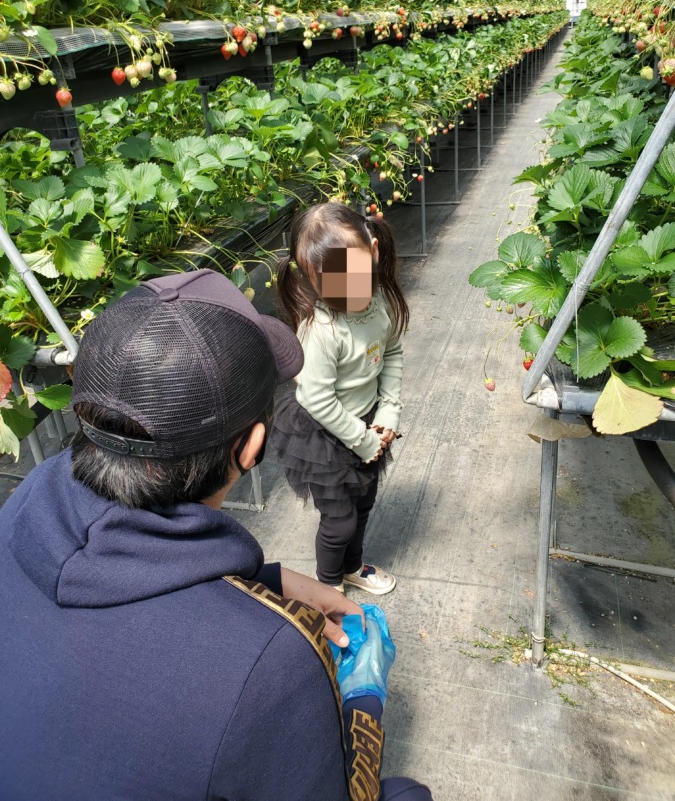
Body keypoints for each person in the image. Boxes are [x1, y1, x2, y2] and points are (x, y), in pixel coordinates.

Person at [0, 268, 430, 801]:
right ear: (250, 448)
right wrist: (362, 700)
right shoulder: (267, 667)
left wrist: (265, 582)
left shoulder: (24, 507)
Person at [271, 203, 409, 594]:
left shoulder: (379, 301)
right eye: (333, 283)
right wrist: (364, 440)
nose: (349, 292)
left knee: (362, 504)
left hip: (366, 423)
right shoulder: (323, 331)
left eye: (357, 277)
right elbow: (317, 399)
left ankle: (351, 567)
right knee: (339, 520)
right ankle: (328, 587)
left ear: (375, 251)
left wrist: (388, 411)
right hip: (322, 435)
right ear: (313, 280)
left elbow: (392, 354)